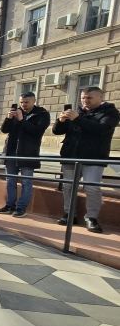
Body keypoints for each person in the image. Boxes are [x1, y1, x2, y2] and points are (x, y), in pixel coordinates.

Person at [52, 86, 119, 233]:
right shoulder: (76, 112)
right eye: (83, 97)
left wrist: (77, 118)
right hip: (71, 155)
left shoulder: (110, 112)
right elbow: (57, 131)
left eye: (89, 98)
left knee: (92, 187)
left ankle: (91, 218)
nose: (85, 100)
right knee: (68, 186)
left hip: (93, 157)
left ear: (100, 98)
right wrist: (60, 121)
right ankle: (69, 214)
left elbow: (100, 130)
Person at [0, 92, 50, 218]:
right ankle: (10, 205)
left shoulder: (42, 114)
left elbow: (37, 131)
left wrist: (22, 120)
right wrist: (8, 118)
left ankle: (21, 208)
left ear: (34, 101)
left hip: (28, 152)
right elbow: (4, 130)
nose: (23, 105)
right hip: (11, 151)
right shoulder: (16, 112)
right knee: (10, 180)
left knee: (26, 181)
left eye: (26, 102)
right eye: (21, 102)